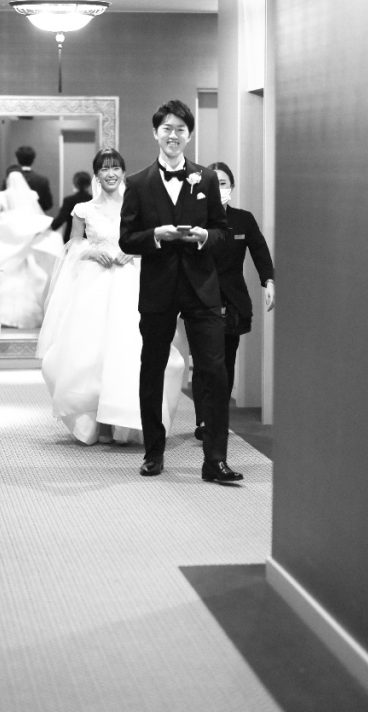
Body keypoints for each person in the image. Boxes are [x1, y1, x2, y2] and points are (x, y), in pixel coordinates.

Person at [119, 99, 242, 484]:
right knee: (152, 368)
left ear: (189, 135)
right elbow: (126, 239)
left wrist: (205, 236)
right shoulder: (138, 183)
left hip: (202, 288)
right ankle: (153, 452)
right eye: (167, 129)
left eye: (180, 130)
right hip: (158, 289)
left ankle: (215, 460)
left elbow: (223, 232)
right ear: (156, 133)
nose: (173, 136)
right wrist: (155, 235)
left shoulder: (205, 179)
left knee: (214, 371)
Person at [37, 148, 184, 445]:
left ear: (123, 172)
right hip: (95, 284)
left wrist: (133, 251)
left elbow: (150, 240)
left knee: (129, 350)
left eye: (115, 167)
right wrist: (92, 252)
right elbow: (73, 245)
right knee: (92, 352)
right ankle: (99, 422)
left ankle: (125, 420)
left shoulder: (137, 204)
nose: (110, 173)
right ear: (96, 174)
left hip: (130, 282)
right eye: (104, 169)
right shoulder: (83, 209)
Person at [192, 162, 274, 441]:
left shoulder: (243, 219)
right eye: (213, 183)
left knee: (226, 361)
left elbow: (259, 250)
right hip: (200, 299)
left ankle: (218, 417)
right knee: (204, 362)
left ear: (232, 187)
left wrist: (269, 281)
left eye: (223, 183)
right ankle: (204, 419)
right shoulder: (195, 219)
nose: (218, 189)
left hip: (233, 301)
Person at [0, 169, 63, 328]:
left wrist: (8, 222)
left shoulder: (1, 195)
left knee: (5, 271)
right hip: (27, 237)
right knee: (28, 271)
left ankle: (4, 314)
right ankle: (31, 313)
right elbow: (37, 212)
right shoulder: (31, 194)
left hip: (9, 239)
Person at [4, 145, 53, 212]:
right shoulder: (42, 180)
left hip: (13, 216)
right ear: (33, 160)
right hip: (35, 215)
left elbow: (3, 200)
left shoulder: (10, 179)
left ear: (17, 159)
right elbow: (48, 204)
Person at [51, 171, 93, 243]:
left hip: (72, 240)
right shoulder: (94, 200)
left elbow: (59, 221)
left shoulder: (69, 201)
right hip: (91, 241)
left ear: (75, 184)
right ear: (89, 184)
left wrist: (46, 228)